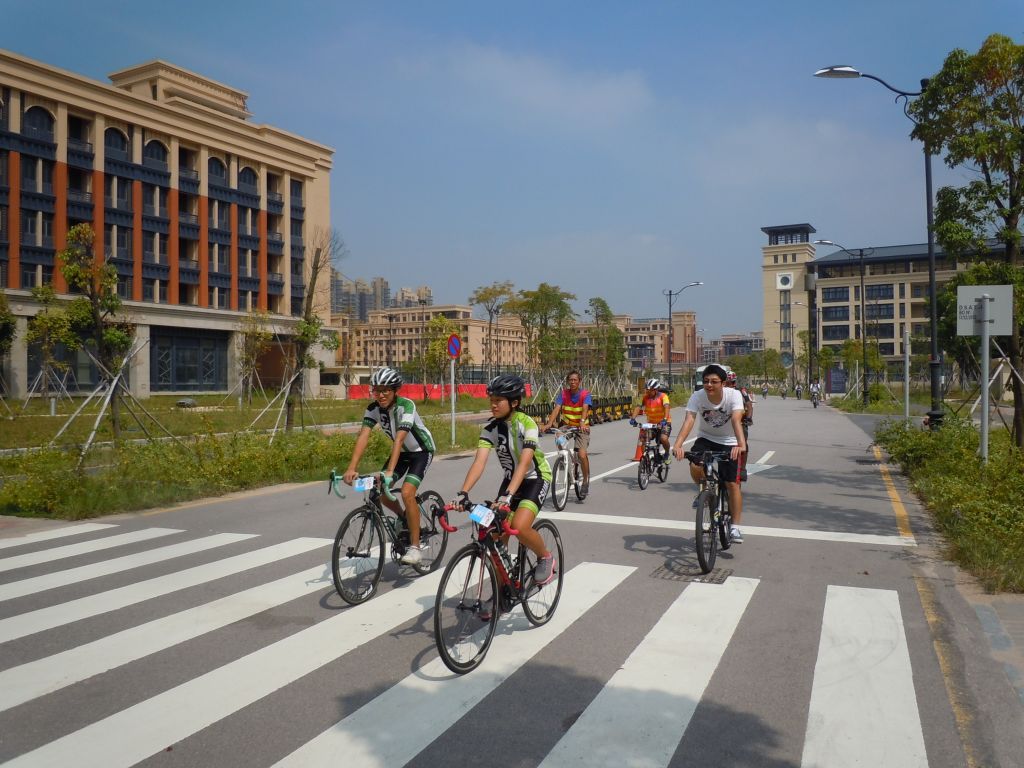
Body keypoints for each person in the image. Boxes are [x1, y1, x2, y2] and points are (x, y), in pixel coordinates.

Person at [453, 374, 557, 585]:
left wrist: (508, 496)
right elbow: (479, 463)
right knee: (495, 537)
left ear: (514, 402)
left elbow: (525, 463)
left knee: (519, 525)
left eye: (498, 401)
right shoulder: (490, 429)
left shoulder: (527, 424)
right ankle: (503, 594)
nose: (493, 405)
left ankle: (545, 557)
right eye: (491, 401)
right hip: (510, 481)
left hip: (535, 479)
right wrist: (463, 493)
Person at [343, 367, 435, 566]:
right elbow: (364, 435)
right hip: (401, 454)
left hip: (421, 452)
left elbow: (399, 439)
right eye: (376, 390)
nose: (381, 395)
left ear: (395, 390)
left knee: (407, 493)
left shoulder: (406, 406)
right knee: (382, 490)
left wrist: (390, 472)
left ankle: (415, 547)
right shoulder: (373, 408)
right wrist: (351, 468)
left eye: (386, 390)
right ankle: (405, 519)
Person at [672, 363, 748, 542]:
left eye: (714, 381)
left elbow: (737, 419)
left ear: (723, 383)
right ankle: (704, 490)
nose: (709, 385)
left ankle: (735, 527)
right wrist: (678, 445)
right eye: (706, 381)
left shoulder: (734, 395)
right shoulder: (698, 396)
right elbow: (690, 419)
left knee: (731, 484)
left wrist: (740, 444)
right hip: (706, 438)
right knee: (695, 464)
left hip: (730, 442)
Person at [541, 370, 592, 493]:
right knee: (559, 436)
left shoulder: (585, 394)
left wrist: (582, 421)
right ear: (568, 381)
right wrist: (549, 423)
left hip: (582, 427)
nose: (573, 382)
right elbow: (557, 409)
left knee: (581, 454)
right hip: (567, 426)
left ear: (579, 381)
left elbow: (585, 408)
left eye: (575, 380)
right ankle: (565, 462)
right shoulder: (563, 394)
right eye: (571, 380)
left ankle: (585, 479)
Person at [630, 378, 672, 463]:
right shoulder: (645, 397)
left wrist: (664, 419)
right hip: (651, 424)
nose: (648, 392)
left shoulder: (663, 396)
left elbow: (667, 407)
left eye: (650, 390)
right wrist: (633, 418)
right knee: (643, 439)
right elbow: (638, 407)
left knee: (663, 439)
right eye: (647, 390)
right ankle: (646, 458)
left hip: (664, 423)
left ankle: (667, 453)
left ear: (656, 390)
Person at [725, 371, 752, 483]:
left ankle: (742, 469)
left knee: (743, 445)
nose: (729, 384)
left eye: (731, 382)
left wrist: (748, 418)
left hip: (741, 422)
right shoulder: (722, 392)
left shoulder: (742, 391)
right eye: (727, 382)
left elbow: (749, 406)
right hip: (726, 423)